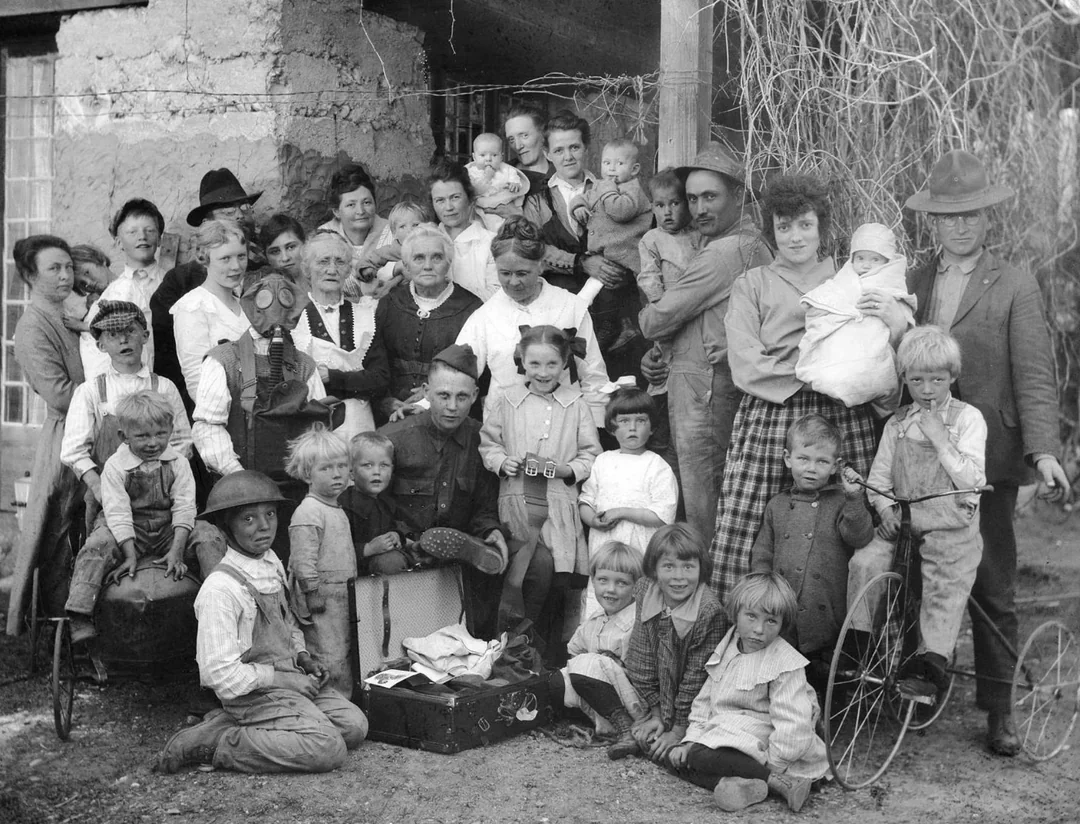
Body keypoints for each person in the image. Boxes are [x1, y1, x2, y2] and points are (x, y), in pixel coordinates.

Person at [860, 149, 1070, 755]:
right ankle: (924, 685)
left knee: (993, 583)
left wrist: (1043, 453)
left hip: (987, 456)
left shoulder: (1013, 283)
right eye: (950, 216)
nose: (961, 225)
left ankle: (1000, 708)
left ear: (987, 218)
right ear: (934, 222)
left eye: (972, 214)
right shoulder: (914, 281)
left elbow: (1033, 375)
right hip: (919, 453)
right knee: (919, 575)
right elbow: (886, 357)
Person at [710, 174, 878, 604]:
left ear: (821, 226)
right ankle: (739, 634)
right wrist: (817, 370)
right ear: (771, 231)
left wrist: (844, 370)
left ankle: (846, 644)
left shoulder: (849, 278)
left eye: (805, 224)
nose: (795, 236)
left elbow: (872, 348)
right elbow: (746, 362)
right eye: (783, 227)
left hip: (841, 409)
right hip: (772, 413)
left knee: (850, 514)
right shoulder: (752, 285)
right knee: (748, 520)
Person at [154, 470, 367, 774]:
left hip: (289, 679)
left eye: (269, 514)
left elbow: (287, 622)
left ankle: (235, 726)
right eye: (249, 519)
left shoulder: (271, 563)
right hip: (253, 693)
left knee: (354, 727)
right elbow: (219, 675)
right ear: (227, 527)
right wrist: (281, 679)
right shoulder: (221, 589)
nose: (264, 526)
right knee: (327, 747)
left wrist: (303, 658)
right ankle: (220, 741)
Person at [638, 143, 771, 546]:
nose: (698, 209)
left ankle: (707, 599)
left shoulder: (728, 251)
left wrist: (654, 323)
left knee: (704, 505)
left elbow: (655, 318)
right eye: (692, 199)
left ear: (738, 197)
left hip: (706, 390)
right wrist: (663, 351)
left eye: (710, 197)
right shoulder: (738, 245)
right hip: (696, 378)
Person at [846, 326, 987, 700]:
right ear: (904, 379)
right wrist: (885, 508)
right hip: (905, 521)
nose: (927, 389)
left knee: (945, 574)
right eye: (917, 380)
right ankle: (856, 646)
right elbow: (879, 478)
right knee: (866, 560)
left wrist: (942, 441)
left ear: (952, 377)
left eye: (937, 380)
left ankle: (931, 663)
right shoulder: (898, 423)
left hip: (950, 524)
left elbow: (974, 479)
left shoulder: (967, 419)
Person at [479, 325, 602, 663]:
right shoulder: (508, 400)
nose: (543, 372)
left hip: (560, 507)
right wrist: (505, 461)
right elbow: (488, 444)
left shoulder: (575, 404)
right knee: (528, 571)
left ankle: (549, 658)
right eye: (534, 364)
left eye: (551, 364)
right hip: (518, 503)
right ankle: (513, 649)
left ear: (564, 364)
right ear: (522, 361)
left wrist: (568, 469)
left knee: (558, 582)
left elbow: (591, 454)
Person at [191, 270, 333, 560]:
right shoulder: (223, 360)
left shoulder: (305, 365)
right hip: (240, 490)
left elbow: (319, 432)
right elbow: (207, 427)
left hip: (294, 490)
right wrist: (241, 478)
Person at [667, 572, 828, 813]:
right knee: (675, 758)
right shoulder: (729, 645)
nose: (759, 630)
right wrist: (690, 739)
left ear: (783, 624)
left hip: (766, 739)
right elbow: (705, 702)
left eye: (771, 621)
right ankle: (737, 785)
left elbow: (793, 724)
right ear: (736, 613)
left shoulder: (784, 662)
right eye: (751, 616)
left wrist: (776, 764)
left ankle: (777, 780)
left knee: (698, 756)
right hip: (728, 732)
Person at [380, 343, 510, 639]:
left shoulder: (483, 442)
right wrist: (398, 540)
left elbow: (484, 506)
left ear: (475, 396)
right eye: (443, 396)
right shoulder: (393, 438)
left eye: (462, 397)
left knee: (495, 563)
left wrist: (492, 529)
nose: (452, 406)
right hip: (404, 549)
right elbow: (374, 499)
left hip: (455, 552)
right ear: (426, 391)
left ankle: (484, 642)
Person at [63, 391, 213, 644]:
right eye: (143, 436)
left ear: (170, 430)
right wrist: (130, 554)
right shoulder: (115, 466)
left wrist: (177, 550)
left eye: (160, 434)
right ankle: (80, 612)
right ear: (124, 436)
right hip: (126, 526)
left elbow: (185, 507)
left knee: (208, 534)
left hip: (167, 527)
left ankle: (219, 600)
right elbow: (118, 513)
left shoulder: (178, 463)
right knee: (96, 546)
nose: (153, 443)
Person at [455, 217, 610, 428]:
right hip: (506, 430)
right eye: (505, 273)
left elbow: (594, 376)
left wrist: (593, 433)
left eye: (522, 273)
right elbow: (457, 371)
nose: (513, 282)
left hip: (564, 428)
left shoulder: (570, 308)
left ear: (540, 265)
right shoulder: (484, 316)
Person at [5, 236, 87, 636]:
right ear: (29, 275)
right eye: (54, 268)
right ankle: (64, 630)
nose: (65, 275)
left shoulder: (68, 316)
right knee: (61, 531)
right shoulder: (32, 326)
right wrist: (110, 392)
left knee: (88, 529)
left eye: (69, 267)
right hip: (67, 436)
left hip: (92, 426)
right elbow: (58, 392)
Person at [749, 414, 873, 670]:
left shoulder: (840, 501)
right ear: (787, 458)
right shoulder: (777, 505)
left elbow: (860, 537)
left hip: (827, 608)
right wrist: (763, 590)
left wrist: (854, 499)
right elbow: (763, 552)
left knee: (826, 673)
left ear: (836, 465)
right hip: (784, 606)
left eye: (822, 461)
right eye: (803, 459)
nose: (811, 468)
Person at [60, 301, 192, 526]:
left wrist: (162, 481)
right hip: (108, 493)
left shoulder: (165, 388)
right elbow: (74, 452)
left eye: (130, 331)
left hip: (160, 493)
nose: (123, 340)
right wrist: (98, 486)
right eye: (113, 335)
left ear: (145, 335)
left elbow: (182, 441)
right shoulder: (90, 392)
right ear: (101, 346)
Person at [151, 167, 263, 410]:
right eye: (227, 212)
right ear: (207, 224)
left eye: (244, 209)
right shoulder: (180, 283)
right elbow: (169, 358)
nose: (239, 217)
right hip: (209, 406)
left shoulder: (264, 272)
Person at [624, 523, 726, 764]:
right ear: (654, 569)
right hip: (655, 694)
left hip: (694, 704)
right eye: (668, 566)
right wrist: (657, 713)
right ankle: (647, 722)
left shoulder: (710, 612)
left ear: (701, 569)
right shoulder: (645, 589)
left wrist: (678, 730)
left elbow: (696, 680)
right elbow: (641, 659)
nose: (678, 577)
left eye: (688, 566)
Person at [579, 387, 678, 618]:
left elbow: (662, 516)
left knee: (636, 601)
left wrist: (622, 512)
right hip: (605, 544)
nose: (632, 428)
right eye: (624, 421)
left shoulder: (657, 465)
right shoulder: (603, 461)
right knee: (601, 598)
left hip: (639, 550)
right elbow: (585, 500)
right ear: (612, 427)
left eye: (640, 420)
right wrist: (593, 519)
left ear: (652, 427)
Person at [796, 222, 914, 408]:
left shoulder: (891, 284)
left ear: (887, 262)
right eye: (860, 258)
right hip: (843, 335)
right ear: (851, 259)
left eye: (875, 260)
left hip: (872, 337)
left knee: (866, 363)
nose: (867, 265)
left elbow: (902, 313)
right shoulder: (842, 281)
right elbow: (826, 301)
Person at [372, 225, 483, 422]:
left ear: (449, 263)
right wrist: (385, 400)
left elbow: (477, 373)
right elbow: (375, 362)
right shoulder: (389, 303)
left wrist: (432, 397)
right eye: (419, 258)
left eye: (437, 257)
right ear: (406, 265)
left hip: (449, 414)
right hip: (391, 411)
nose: (428, 266)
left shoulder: (471, 308)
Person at [547, 541, 647, 759]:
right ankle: (606, 725)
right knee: (558, 681)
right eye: (603, 581)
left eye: (621, 583)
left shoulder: (637, 622)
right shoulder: (595, 620)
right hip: (602, 692)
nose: (610, 589)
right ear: (593, 581)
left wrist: (604, 663)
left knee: (587, 664)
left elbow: (643, 673)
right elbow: (574, 652)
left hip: (632, 698)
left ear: (636, 587)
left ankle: (627, 729)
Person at [291, 230, 389, 441]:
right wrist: (355, 381)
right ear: (307, 269)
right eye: (323, 262)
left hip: (359, 423)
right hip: (313, 426)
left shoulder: (366, 316)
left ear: (348, 270)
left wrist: (332, 377)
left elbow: (380, 378)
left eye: (340, 262)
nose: (332, 270)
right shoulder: (294, 321)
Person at [284, 424, 356, 694]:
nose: (337, 474)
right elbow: (303, 558)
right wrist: (312, 590)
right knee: (328, 652)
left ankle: (346, 701)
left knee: (344, 648)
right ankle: (332, 701)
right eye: (326, 468)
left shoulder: (335, 508)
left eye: (342, 466)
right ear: (307, 474)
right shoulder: (309, 512)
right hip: (321, 596)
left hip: (341, 593)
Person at [81, 198, 167, 378]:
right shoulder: (113, 294)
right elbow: (96, 353)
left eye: (149, 230)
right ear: (119, 242)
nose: (142, 237)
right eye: (132, 232)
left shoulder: (172, 282)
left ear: (159, 239)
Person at [170, 219, 252, 400]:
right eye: (225, 258)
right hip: (223, 413)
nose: (236, 266)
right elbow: (196, 380)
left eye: (241, 256)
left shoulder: (246, 304)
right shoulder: (193, 307)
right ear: (204, 259)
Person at [338, 432, 420, 576]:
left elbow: (393, 528)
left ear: (392, 469)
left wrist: (395, 536)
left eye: (384, 465)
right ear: (351, 472)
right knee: (390, 561)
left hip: (387, 563)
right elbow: (335, 550)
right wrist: (368, 548)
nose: (377, 472)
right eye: (367, 465)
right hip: (358, 572)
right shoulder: (344, 506)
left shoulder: (386, 502)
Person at [428, 160, 500, 301]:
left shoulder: (491, 242)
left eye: (455, 197)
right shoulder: (425, 239)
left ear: (470, 199)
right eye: (440, 200)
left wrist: (444, 292)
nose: (448, 207)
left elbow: (497, 295)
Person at [318, 164, 393, 287]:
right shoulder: (324, 238)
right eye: (351, 205)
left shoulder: (392, 232)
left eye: (367, 202)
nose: (361, 211)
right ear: (336, 211)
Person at [355, 200, 429, 295]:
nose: (410, 230)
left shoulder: (431, 248)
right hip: (396, 297)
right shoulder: (391, 251)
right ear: (394, 233)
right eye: (402, 227)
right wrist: (366, 270)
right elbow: (368, 260)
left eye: (416, 225)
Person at [466, 132, 529, 227]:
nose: (488, 159)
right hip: (481, 209)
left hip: (505, 204)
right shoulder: (472, 172)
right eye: (482, 155)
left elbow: (515, 178)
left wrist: (514, 184)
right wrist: (487, 177)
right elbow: (474, 191)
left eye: (494, 155)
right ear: (474, 157)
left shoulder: (506, 169)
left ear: (501, 157)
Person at [63, 244, 114, 336]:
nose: (88, 283)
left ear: (100, 260)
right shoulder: (98, 299)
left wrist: (81, 326)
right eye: (82, 284)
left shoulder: (122, 288)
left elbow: (119, 323)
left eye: (87, 272)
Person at [503, 103, 553, 198]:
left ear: (543, 134)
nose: (517, 146)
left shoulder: (561, 174)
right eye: (511, 139)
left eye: (524, 135)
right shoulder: (502, 174)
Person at [258, 214, 307, 288]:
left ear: (305, 244)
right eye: (275, 252)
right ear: (266, 257)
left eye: (291, 247)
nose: (285, 258)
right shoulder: (266, 290)